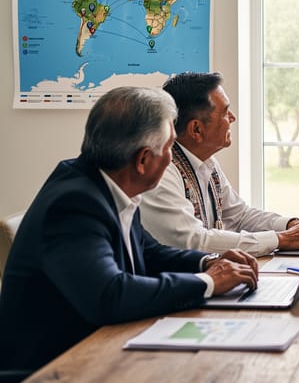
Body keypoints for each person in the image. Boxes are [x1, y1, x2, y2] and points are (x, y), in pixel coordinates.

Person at [0, 87, 259, 372]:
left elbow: (147, 251)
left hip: (102, 345)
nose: (173, 159)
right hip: (57, 367)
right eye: (170, 147)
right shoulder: (74, 204)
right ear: (143, 160)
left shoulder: (108, 182)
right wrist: (207, 283)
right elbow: (109, 295)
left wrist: (208, 262)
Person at [140, 72, 299, 256]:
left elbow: (239, 216)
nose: (233, 118)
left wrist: (291, 225)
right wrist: (281, 239)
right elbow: (195, 241)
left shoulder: (207, 162)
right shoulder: (162, 173)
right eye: (225, 112)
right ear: (196, 129)